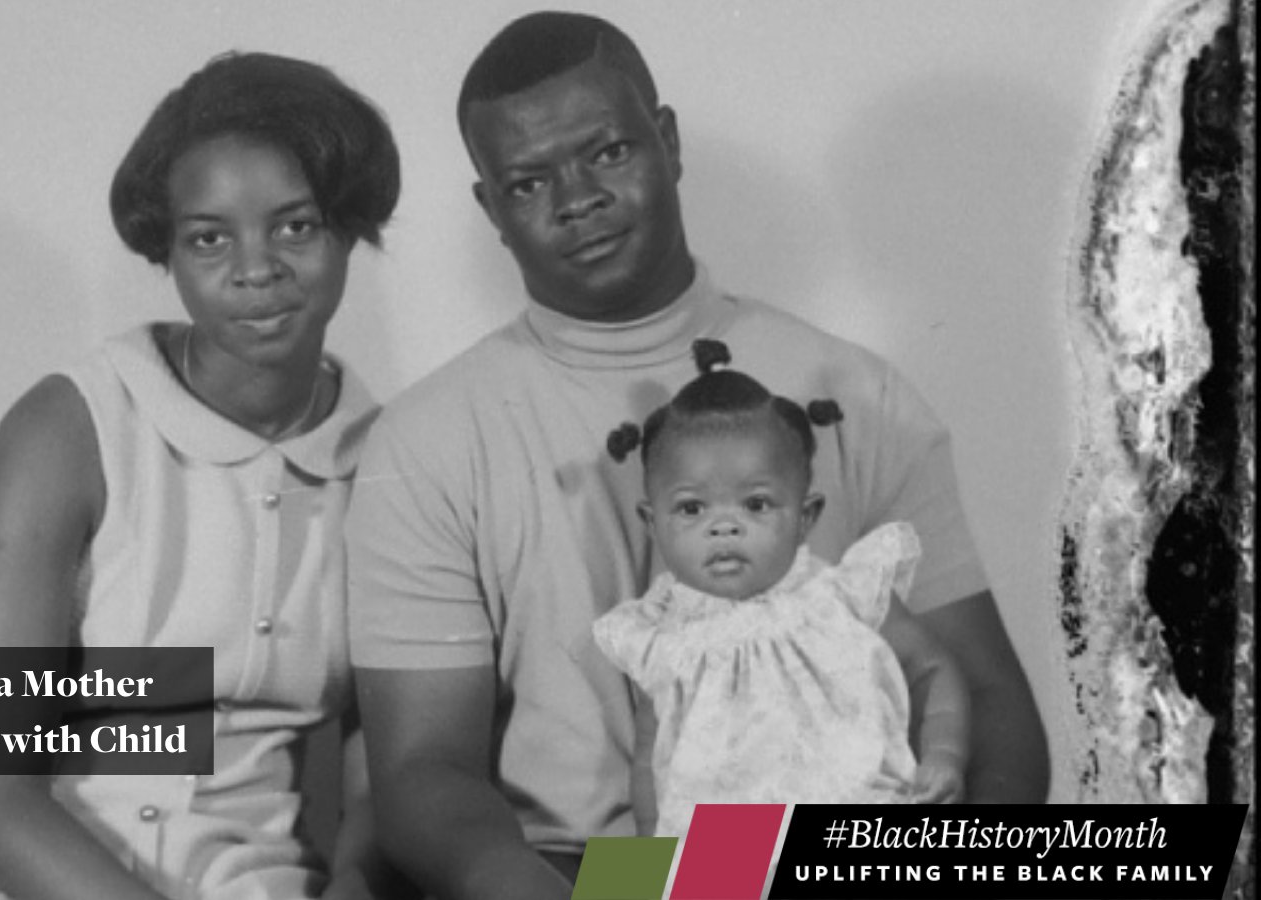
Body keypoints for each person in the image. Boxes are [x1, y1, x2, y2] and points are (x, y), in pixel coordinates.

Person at [346, 11, 1048, 900]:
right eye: (528, 183)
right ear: (490, 208)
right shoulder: (427, 439)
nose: (577, 201)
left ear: (667, 141)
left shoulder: (862, 394)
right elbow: (422, 774)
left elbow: (987, 701)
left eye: (607, 153)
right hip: (586, 876)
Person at [0, 52, 401, 900]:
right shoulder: (69, 428)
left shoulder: (391, 459)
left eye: (295, 226)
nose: (255, 268)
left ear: (349, 228)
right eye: (208, 238)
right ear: (164, 250)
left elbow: (375, 768)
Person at [593, 338, 969, 838]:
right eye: (691, 509)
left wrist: (945, 754)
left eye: (756, 505)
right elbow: (651, 762)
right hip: (723, 850)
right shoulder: (661, 636)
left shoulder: (842, 594)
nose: (723, 528)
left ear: (805, 516)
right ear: (652, 523)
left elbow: (931, 669)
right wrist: (646, 864)